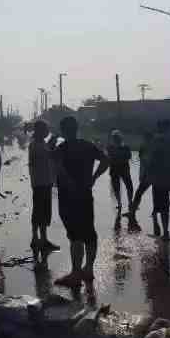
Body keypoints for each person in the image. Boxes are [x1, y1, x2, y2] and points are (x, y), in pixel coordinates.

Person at [53, 116, 109, 287]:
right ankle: (88, 270)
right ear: (77, 128)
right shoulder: (88, 146)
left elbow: (59, 170)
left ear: (63, 130)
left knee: (75, 235)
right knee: (89, 232)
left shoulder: (61, 148)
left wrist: (68, 182)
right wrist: (94, 177)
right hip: (85, 194)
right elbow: (106, 160)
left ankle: (75, 274)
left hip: (68, 197)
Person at [28, 120, 59, 251]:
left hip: (44, 182)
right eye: (46, 129)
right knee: (41, 212)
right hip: (41, 182)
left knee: (41, 211)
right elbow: (42, 159)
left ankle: (39, 239)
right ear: (40, 130)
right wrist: (52, 147)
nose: (47, 131)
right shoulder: (36, 145)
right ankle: (39, 239)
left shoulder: (41, 143)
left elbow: (50, 160)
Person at [106, 129, 139, 231]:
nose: (117, 139)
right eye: (115, 138)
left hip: (122, 169)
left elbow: (127, 157)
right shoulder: (111, 147)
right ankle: (120, 203)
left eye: (118, 138)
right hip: (117, 169)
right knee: (117, 188)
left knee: (129, 186)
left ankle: (128, 202)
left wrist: (117, 157)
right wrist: (119, 157)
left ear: (120, 139)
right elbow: (111, 156)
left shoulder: (125, 147)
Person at [124, 131, 155, 232]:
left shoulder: (148, 147)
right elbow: (143, 161)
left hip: (148, 176)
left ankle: (132, 212)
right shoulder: (147, 147)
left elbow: (147, 163)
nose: (144, 140)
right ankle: (154, 214)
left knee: (139, 193)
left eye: (145, 138)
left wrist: (145, 175)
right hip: (149, 175)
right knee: (146, 194)